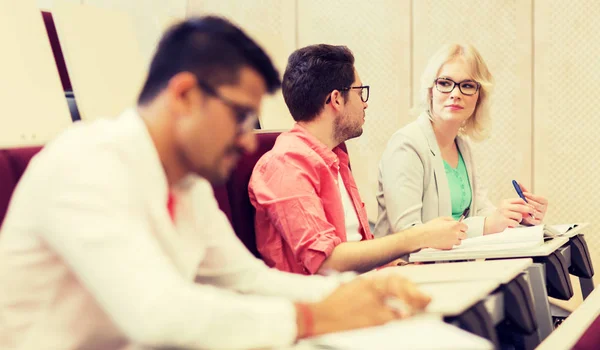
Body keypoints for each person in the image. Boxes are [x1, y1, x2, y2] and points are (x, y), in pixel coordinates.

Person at [0, 17, 431, 350]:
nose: (247, 140)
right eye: (241, 116)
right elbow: (157, 312)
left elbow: (246, 279)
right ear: (185, 96)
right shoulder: (86, 164)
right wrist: (313, 318)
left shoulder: (187, 183)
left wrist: (360, 292)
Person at [249, 44, 467, 276]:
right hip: (324, 303)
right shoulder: (285, 165)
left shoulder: (336, 156)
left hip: (363, 288)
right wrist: (418, 236)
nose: (365, 103)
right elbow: (326, 262)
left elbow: (359, 247)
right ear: (336, 99)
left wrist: (400, 268)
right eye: (360, 92)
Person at [374, 43, 549, 239]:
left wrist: (517, 217)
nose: (455, 94)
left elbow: (481, 212)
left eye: (467, 86)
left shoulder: (462, 146)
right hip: (407, 267)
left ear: (478, 97)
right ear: (431, 90)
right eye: (445, 83)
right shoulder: (406, 145)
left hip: (455, 264)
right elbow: (408, 232)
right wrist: (488, 224)